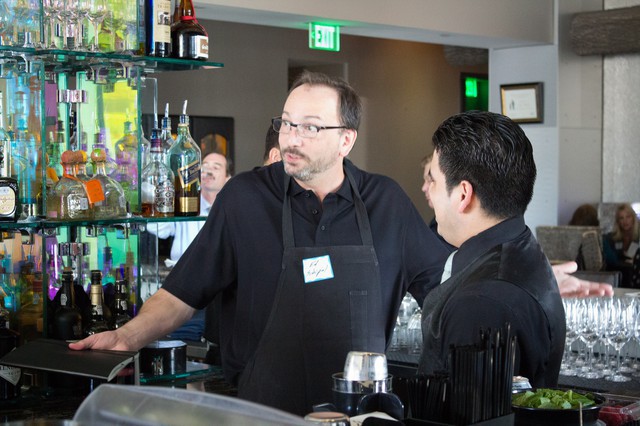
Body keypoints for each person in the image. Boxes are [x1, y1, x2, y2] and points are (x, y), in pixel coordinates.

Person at [70, 71, 450, 415]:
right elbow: (181, 295)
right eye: (286, 123)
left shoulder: (386, 201)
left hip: (361, 416)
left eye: (310, 128)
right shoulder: (245, 198)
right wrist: (125, 337)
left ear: (345, 140)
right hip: (264, 413)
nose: (291, 139)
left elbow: (445, 290)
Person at [417, 111, 566, 388]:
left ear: (463, 194)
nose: (429, 192)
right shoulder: (521, 244)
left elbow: (466, 414)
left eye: (433, 181)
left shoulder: (479, 301)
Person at [421, 153, 613, 298]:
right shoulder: (434, 233)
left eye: (432, 180)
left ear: (463, 191)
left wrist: (531, 283)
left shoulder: (499, 238)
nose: (425, 188)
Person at [146, 152, 232, 341]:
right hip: (185, 290)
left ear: (228, 178)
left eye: (216, 167)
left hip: (220, 295)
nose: (207, 170)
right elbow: (154, 226)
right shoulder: (184, 204)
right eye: (204, 166)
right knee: (180, 340)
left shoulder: (233, 209)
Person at [603, 203, 640, 287]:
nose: (625, 221)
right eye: (621, 218)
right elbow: (611, 261)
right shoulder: (610, 238)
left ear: (633, 218)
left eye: (628, 217)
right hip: (617, 275)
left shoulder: (638, 237)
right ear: (618, 221)